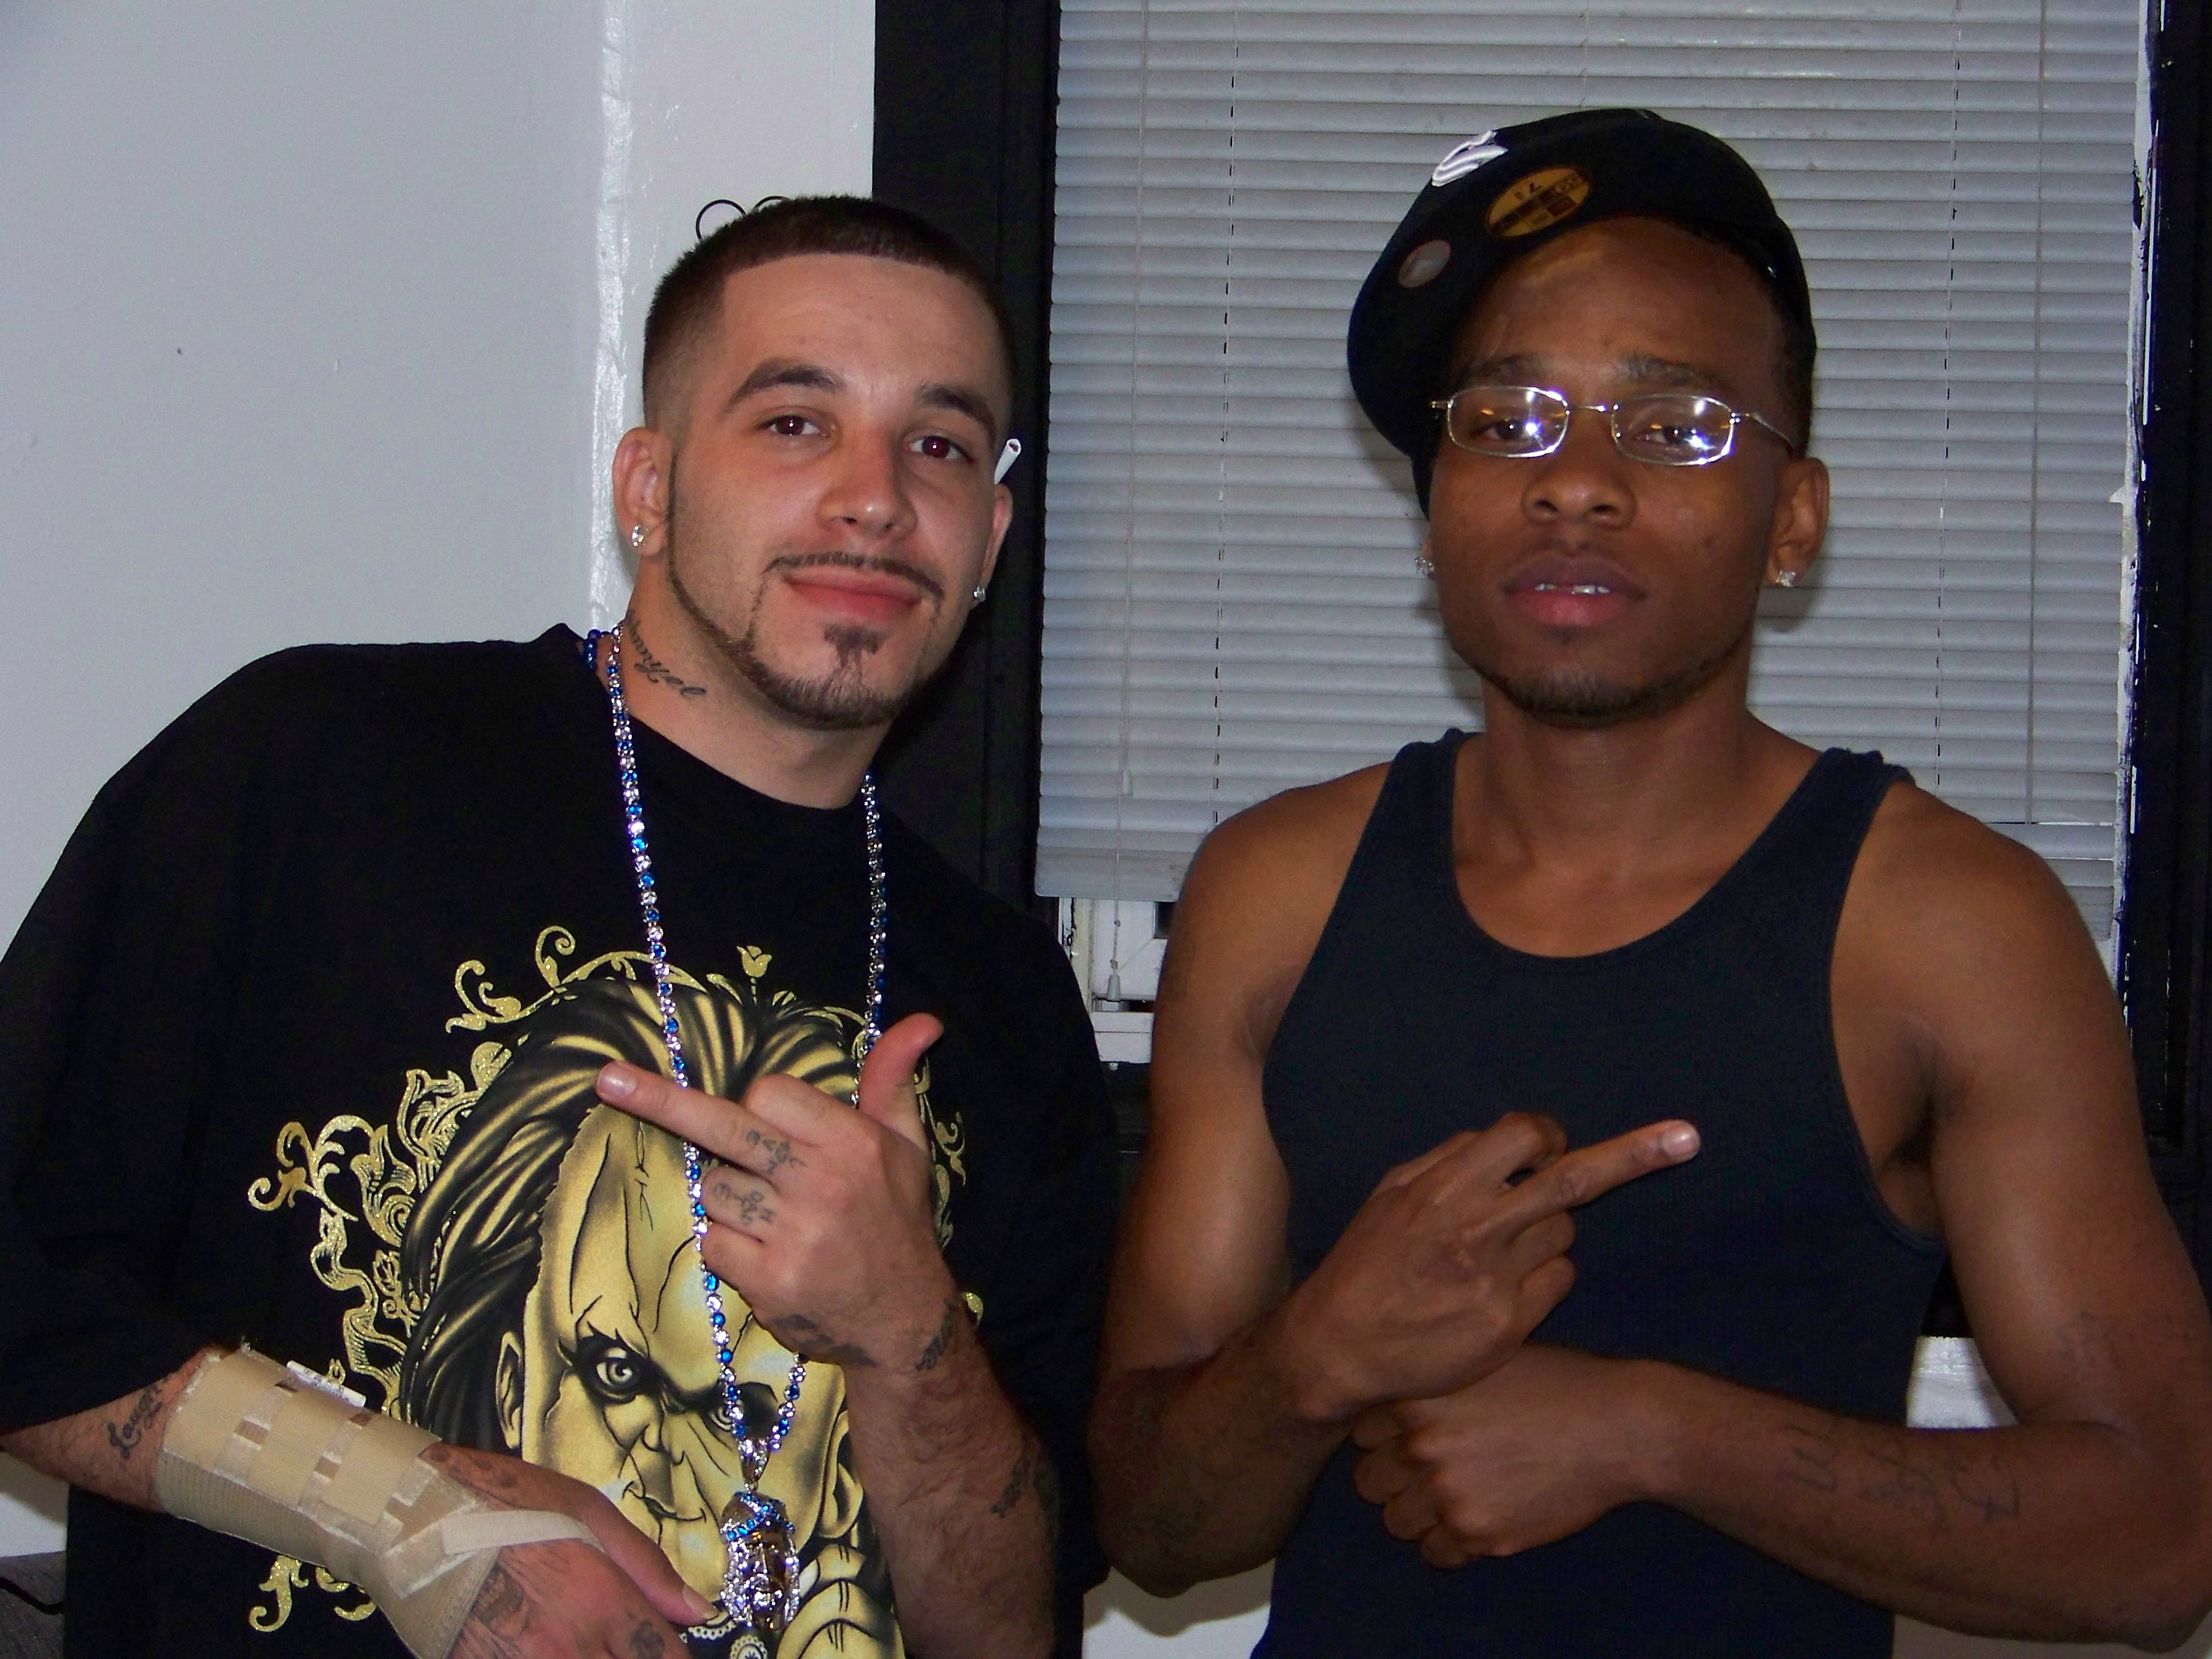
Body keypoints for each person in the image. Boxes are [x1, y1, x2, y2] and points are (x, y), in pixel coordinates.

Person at [1089, 107, 2212, 1657]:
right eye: (1507, 420)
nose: (1576, 483)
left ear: (1792, 520)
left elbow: (2162, 1540)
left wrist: (1649, 1434)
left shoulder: (1947, 930)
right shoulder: (1274, 895)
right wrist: (1312, 1356)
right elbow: (1153, 1531)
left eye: (1673, 427)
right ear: (1434, 508)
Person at [0, 195, 1113, 1659]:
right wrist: (400, 1512)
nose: (875, 499)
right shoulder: (320, 771)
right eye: (795, 424)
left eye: (942, 446)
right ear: (648, 486)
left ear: (992, 537)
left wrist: (912, 1336)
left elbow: (1012, 1629)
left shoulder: (1007, 996)